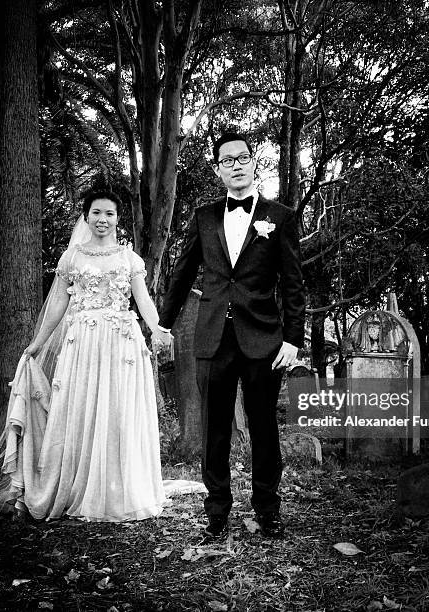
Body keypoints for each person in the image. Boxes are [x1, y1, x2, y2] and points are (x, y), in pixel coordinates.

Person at [0, 190, 203, 521]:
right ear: (86, 216)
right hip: (83, 344)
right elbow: (59, 306)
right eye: (96, 213)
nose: (102, 219)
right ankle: (80, 485)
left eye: (109, 213)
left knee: (118, 411)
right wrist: (37, 342)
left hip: (121, 343)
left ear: (117, 218)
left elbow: (143, 300)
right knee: (82, 408)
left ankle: (118, 488)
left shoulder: (128, 259)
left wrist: (158, 329)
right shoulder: (73, 258)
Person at [158, 132, 306, 539]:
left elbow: (293, 285)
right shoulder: (204, 217)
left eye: (243, 158)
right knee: (215, 429)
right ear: (218, 169)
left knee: (263, 428)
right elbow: (183, 271)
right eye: (228, 160)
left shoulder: (281, 216)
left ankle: (267, 511)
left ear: (254, 162)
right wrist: (164, 323)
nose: (236, 165)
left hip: (264, 339)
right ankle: (217, 514)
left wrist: (293, 340)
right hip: (212, 338)